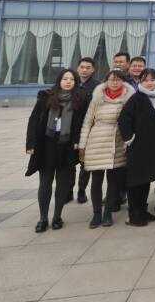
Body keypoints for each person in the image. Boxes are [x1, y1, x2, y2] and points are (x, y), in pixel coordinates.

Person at [26, 69, 88, 232]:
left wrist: (78, 142)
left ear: (76, 82)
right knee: (45, 183)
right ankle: (43, 218)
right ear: (59, 80)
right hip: (46, 144)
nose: (68, 82)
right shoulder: (46, 97)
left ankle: (57, 216)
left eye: (72, 79)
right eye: (65, 79)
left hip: (67, 145)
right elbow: (34, 120)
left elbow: (82, 123)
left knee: (63, 183)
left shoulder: (80, 100)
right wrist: (30, 144)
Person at [79, 69, 134, 228]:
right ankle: (96, 213)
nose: (114, 82)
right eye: (111, 79)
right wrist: (82, 143)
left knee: (113, 182)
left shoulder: (129, 98)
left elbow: (131, 122)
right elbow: (88, 121)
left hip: (117, 142)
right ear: (106, 81)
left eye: (118, 80)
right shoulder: (97, 97)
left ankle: (107, 213)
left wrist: (128, 142)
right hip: (97, 141)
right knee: (96, 180)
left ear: (123, 81)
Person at [118, 69, 155, 226]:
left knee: (146, 179)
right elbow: (123, 119)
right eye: (146, 80)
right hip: (138, 146)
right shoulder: (136, 98)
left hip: (153, 146)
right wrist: (130, 139)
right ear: (140, 82)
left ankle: (142, 210)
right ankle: (134, 213)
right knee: (135, 181)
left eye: (153, 80)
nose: (150, 83)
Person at [73, 57, 98, 204]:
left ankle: (81, 190)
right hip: (71, 129)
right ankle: (67, 190)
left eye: (88, 68)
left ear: (93, 70)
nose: (84, 70)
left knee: (85, 163)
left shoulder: (97, 86)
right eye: (82, 67)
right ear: (77, 68)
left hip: (88, 129)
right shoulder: (71, 82)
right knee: (69, 162)